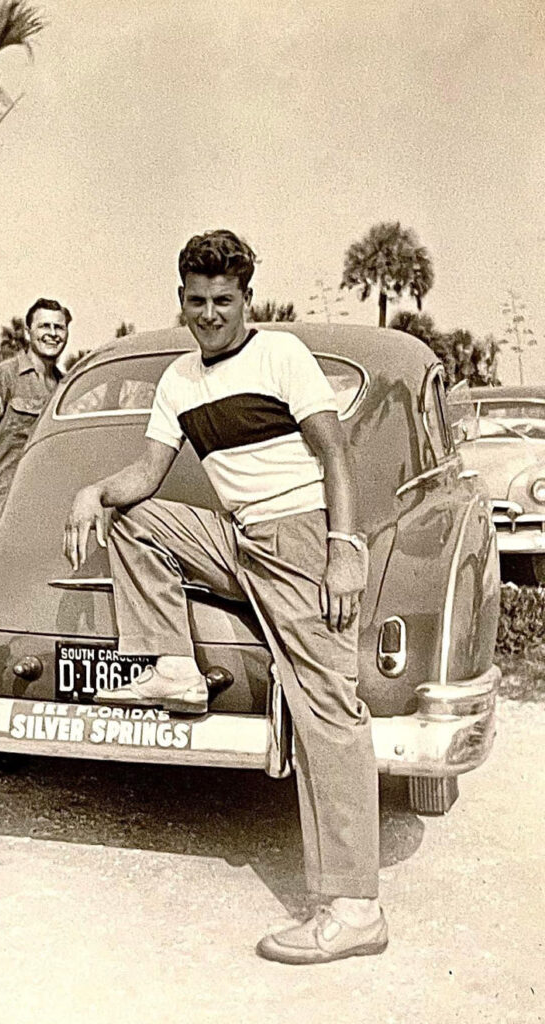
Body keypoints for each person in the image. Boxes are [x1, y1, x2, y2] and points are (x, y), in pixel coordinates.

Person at [64, 230, 385, 965]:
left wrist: (344, 549)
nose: (210, 314)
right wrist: (92, 491)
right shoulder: (178, 381)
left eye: (224, 301)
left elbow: (335, 451)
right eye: (198, 301)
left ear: (247, 300)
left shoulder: (281, 356)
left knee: (327, 709)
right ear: (182, 300)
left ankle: (355, 905)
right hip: (239, 539)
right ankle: (173, 667)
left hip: (302, 538)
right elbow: (146, 476)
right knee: (137, 518)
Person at [0, 297, 71, 499]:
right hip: (3, 495)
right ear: (28, 333)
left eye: (59, 327)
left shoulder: (65, 385)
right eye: (44, 326)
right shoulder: (5, 375)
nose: (52, 333)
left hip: (47, 495)